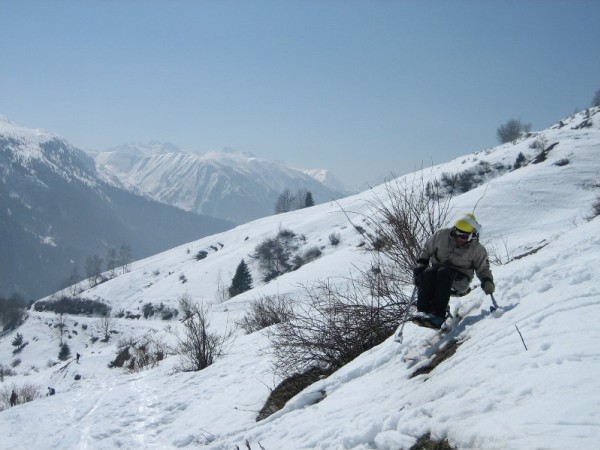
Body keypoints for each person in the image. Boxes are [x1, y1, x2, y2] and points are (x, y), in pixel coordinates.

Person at [411, 213, 495, 329]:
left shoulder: (477, 249)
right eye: (457, 233)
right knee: (428, 272)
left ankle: (438, 315)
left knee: (443, 273)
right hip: (437, 271)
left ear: (472, 235)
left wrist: (487, 281)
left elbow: (483, 268)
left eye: (464, 236)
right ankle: (422, 312)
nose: (460, 238)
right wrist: (420, 268)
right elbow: (426, 251)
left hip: (460, 279)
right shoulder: (442, 235)